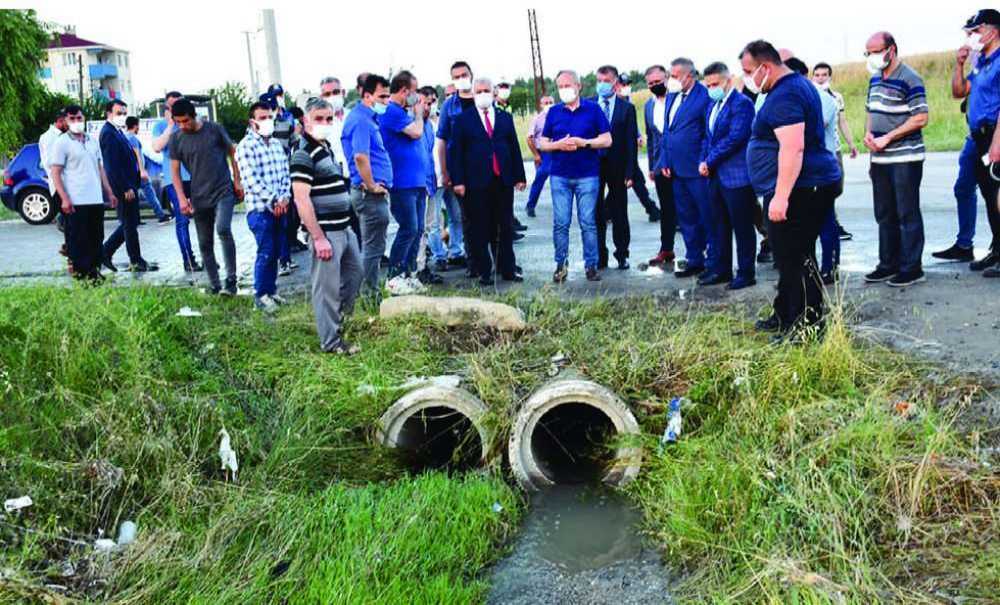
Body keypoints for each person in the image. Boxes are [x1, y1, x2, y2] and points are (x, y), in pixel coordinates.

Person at [741, 40, 841, 337]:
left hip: (801, 187)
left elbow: (793, 147)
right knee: (787, 256)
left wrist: (781, 196)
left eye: (748, 71)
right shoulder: (790, 87)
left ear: (765, 67)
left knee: (796, 258)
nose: (745, 78)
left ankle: (805, 326)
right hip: (799, 184)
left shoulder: (786, 94)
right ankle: (785, 313)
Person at [291, 98, 363, 354]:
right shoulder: (303, 153)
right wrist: (318, 237)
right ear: (306, 120)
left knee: (354, 274)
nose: (324, 123)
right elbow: (301, 199)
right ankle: (331, 342)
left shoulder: (325, 147)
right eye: (318, 118)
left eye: (328, 119)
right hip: (327, 231)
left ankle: (339, 324)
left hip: (343, 228)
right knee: (327, 289)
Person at [862, 31, 929, 287]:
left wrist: (888, 137)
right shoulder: (875, 79)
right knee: (884, 213)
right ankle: (887, 264)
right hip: (879, 158)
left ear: (891, 50)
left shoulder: (910, 78)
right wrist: (868, 134)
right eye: (868, 53)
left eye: (876, 52)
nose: (872, 57)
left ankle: (912, 267)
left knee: (906, 212)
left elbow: (921, 117)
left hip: (905, 157)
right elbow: (871, 111)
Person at [448, 77, 527, 285]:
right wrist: (458, 181)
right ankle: (484, 271)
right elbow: (456, 153)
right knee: (479, 227)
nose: (483, 94)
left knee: (505, 226)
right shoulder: (463, 120)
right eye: (479, 91)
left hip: (502, 179)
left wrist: (519, 176)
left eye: (486, 90)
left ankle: (508, 269)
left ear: (493, 93)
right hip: (476, 182)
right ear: (473, 94)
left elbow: (514, 147)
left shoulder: (504, 118)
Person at [536, 69, 612, 283]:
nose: (564, 90)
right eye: (560, 86)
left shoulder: (593, 109)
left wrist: (584, 143)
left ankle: (591, 266)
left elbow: (607, 140)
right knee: (561, 223)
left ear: (578, 86)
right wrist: (558, 145)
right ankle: (561, 265)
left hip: (587, 175)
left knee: (588, 222)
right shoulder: (554, 112)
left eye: (568, 85)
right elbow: (542, 143)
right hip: (560, 176)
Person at [169, 98, 244, 295]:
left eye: (185, 121)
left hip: (223, 190)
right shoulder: (176, 139)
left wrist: (237, 180)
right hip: (199, 195)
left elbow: (233, 153)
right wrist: (181, 198)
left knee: (223, 228)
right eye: (178, 122)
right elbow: (174, 172)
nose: (182, 125)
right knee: (204, 242)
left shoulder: (214, 129)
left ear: (194, 116)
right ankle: (214, 284)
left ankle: (231, 280)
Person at [948, 9, 1000, 275]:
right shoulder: (981, 61)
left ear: (992, 31)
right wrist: (959, 64)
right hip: (979, 136)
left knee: (999, 196)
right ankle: (997, 249)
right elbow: (959, 92)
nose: (971, 36)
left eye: (976, 31)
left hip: (995, 134)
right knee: (989, 195)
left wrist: (997, 142)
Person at [698, 61, 757, 289]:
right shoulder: (712, 105)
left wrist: (709, 160)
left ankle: (746, 273)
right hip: (715, 176)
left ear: (728, 80)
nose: (712, 88)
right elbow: (707, 137)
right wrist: (703, 160)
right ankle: (722, 270)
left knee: (742, 227)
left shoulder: (742, 104)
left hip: (737, 176)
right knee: (719, 225)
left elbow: (735, 138)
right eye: (709, 85)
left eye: (716, 84)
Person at [656, 57, 713, 278]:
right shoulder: (673, 96)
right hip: (676, 169)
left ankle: (714, 260)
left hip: (697, 168)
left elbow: (707, 133)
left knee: (707, 216)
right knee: (686, 217)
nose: (670, 80)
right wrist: (665, 160)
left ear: (689, 76)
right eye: (670, 75)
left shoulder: (704, 96)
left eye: (675, 76)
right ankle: (694, 259)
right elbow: (668, 132)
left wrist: (704, 160)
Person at [49, 105, 118, 282]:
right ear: (66, 121)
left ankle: (94, 272)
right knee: (79, 240)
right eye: (72, 119)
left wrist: (109, 192)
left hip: (94, 198)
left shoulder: (92, 140)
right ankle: (82, 275)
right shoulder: (62, 143)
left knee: (96, 237)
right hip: (75, 200)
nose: (76, 122)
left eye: (79, 118)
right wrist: (64, 198)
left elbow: (100, 168)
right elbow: (55, 172)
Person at [792, 58, 844, 285]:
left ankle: (830, 268)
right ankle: (808, 269)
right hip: (800, 171)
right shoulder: (794, 99)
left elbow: (809, 130)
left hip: (821, 171)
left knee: (825, 221)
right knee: (804, 224)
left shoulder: (823, 99)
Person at [236, 101, 291, 312]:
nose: (268, 121)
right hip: (260, 209)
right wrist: (274, 201)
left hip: (280, 208)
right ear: (253, 122)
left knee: (276, 250)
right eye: (262, 118)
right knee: (266, 251)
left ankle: (271, 290)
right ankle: (261, 294)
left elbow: (285, 175)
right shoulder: (246, 146)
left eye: (269, 117)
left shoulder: (276, 145)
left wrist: (284, 198)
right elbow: (251, 181)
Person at [342, 73, 393, 294]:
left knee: (374, 246)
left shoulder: (367, 118)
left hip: (372, 192)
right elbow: (360, 157)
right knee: (373, 248)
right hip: (369, 193)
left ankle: (369, 291)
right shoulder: (361, 120)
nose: (386, 101)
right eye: (382, 96)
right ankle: (369, 294)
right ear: (367, 95)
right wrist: (371, 184)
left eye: (388, 96)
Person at [379, 70, 430, 285]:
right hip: (402, 182)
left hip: (417, 181)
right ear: (404, 91)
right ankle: (395, 276)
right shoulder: (391, 112)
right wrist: (418, 114)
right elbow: (416, 132)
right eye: (414, 91)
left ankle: (409, 274)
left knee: (418, 230)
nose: (417, 97)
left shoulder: (402, 112)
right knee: (408, 228)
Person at [100, 100, 157, 272]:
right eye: (119, 113)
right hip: (123, 187)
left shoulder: (117, 131)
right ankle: (132, 259)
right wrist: (125, 187)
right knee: (129, 224)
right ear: (109, 114)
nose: (122, 116)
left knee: (130, 223)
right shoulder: (108, 133)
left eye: (124, 113)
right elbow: (112, 165)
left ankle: (109, 253)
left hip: (130, 184)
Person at [592, 65, 637, 270]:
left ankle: (622, 254)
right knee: (595, 212)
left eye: (606, 81)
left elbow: (630, 142)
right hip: (593, 166)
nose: (602, 84)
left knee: (619, 212)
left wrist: (630, 171)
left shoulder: (626, 108)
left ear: (615, 82)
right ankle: (600, 255)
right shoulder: (589, 105)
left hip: (617, 166)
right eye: (599, 81)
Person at [437, 61, 478, 276]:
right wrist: (445, 172)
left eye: (464, 74)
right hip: (460, 170)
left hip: (485, 168)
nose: (461, 79)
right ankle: (473, 263)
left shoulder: (482, 98)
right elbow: (442, 140)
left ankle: (495, 262)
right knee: (467, 219)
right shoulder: (449, 106)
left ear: (471, 74)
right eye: (456, 76)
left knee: (491, 217)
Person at [151, 91, 200, 272]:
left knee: (203, 218)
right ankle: (188, 260)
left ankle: (207, 256)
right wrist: (171, 126)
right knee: (182, 219)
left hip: (195, 177)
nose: (175, 108)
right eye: (171, 106)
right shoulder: (161, 126)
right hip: (173, 180)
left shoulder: (190, 122)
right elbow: (157, 147)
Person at [812, 61, 858, 242]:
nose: (821, 78)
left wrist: (851, 143)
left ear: (830, 76)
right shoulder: (811, 95)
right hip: (819, 149)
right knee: (825, 188)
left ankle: (824, 218)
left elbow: (842, 121)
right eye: (817, 75)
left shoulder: (836, 97)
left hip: (835, 148)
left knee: (837, 187)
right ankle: (831, 223)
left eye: (824, 75)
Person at [644, 65, 679, 267]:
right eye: (651, 83)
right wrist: (651, 166)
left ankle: (700, 250)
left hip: (681, 163)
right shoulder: (648, 106)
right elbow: (651, 138)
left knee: (688, 208)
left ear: (666, 78)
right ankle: (666, 249)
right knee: (666, 209)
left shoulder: (678, 100)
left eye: (658, 81)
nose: (655, 85)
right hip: (659, 165)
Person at [414, 86, 447, 283]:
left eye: (431, 102)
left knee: (427, 226)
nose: (427, 107)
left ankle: (422, 266)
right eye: (424, 103)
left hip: (431, 182)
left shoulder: (429, 126)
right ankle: (417, 268)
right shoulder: (413, 125)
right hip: (417, 185)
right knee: (417, 228)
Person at [618, 73, 661, 222]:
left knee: (634, 180)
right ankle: (651, 209)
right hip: (618, 150)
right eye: (623, 84)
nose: (627, 87)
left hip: (628, 149)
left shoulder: (628, 100)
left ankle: (651, 209)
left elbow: (631, 123)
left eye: (628, 84)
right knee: (631, 180)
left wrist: (637, 135)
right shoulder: (614, 103)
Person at [124, 117, 172, 226]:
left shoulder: (125, 137)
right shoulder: (132, 138)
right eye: (138, 125)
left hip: (131, 172)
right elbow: (137, 155)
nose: (138, 128)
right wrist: (142, 170)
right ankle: (161, 216)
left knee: (134, 196)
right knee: (150, 193)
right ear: (135, 126)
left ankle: (135, 219)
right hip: (138, 172)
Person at [39, 109, 70, 267]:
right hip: (60, 184)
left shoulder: (65, 135)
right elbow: (51, 164)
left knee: (72, 221)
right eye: (68, 120)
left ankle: (70, 248)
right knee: (70, 221)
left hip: (69, 183)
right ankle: (71, 253)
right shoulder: (49, 137)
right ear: (60, 121)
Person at [525, 96, 554, 218]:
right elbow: (529, 138)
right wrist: (536, 155)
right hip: (544, 153)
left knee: (559, 181)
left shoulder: (558, 116)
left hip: (557, 151)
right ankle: (530, 205)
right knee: (540, 177)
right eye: (545, 103)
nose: (548, 104)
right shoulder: (537, 119)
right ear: (541, 105)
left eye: (550, 102)